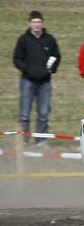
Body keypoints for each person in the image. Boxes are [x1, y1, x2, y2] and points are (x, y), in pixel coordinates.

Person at [13, 10, 61, 147]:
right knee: (24, 113)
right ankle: (23, 140)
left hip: (45, 83)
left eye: (39, 22)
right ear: (30, 23)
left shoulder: (49, 39)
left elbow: (56, 56)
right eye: (34, 22)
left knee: (44, 113)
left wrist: (51, 70)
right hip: (27, 81)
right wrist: (27, 70)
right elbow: (17, 58)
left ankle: (41, 140)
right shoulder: (24, 39)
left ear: (42, 23)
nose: (36, 25)